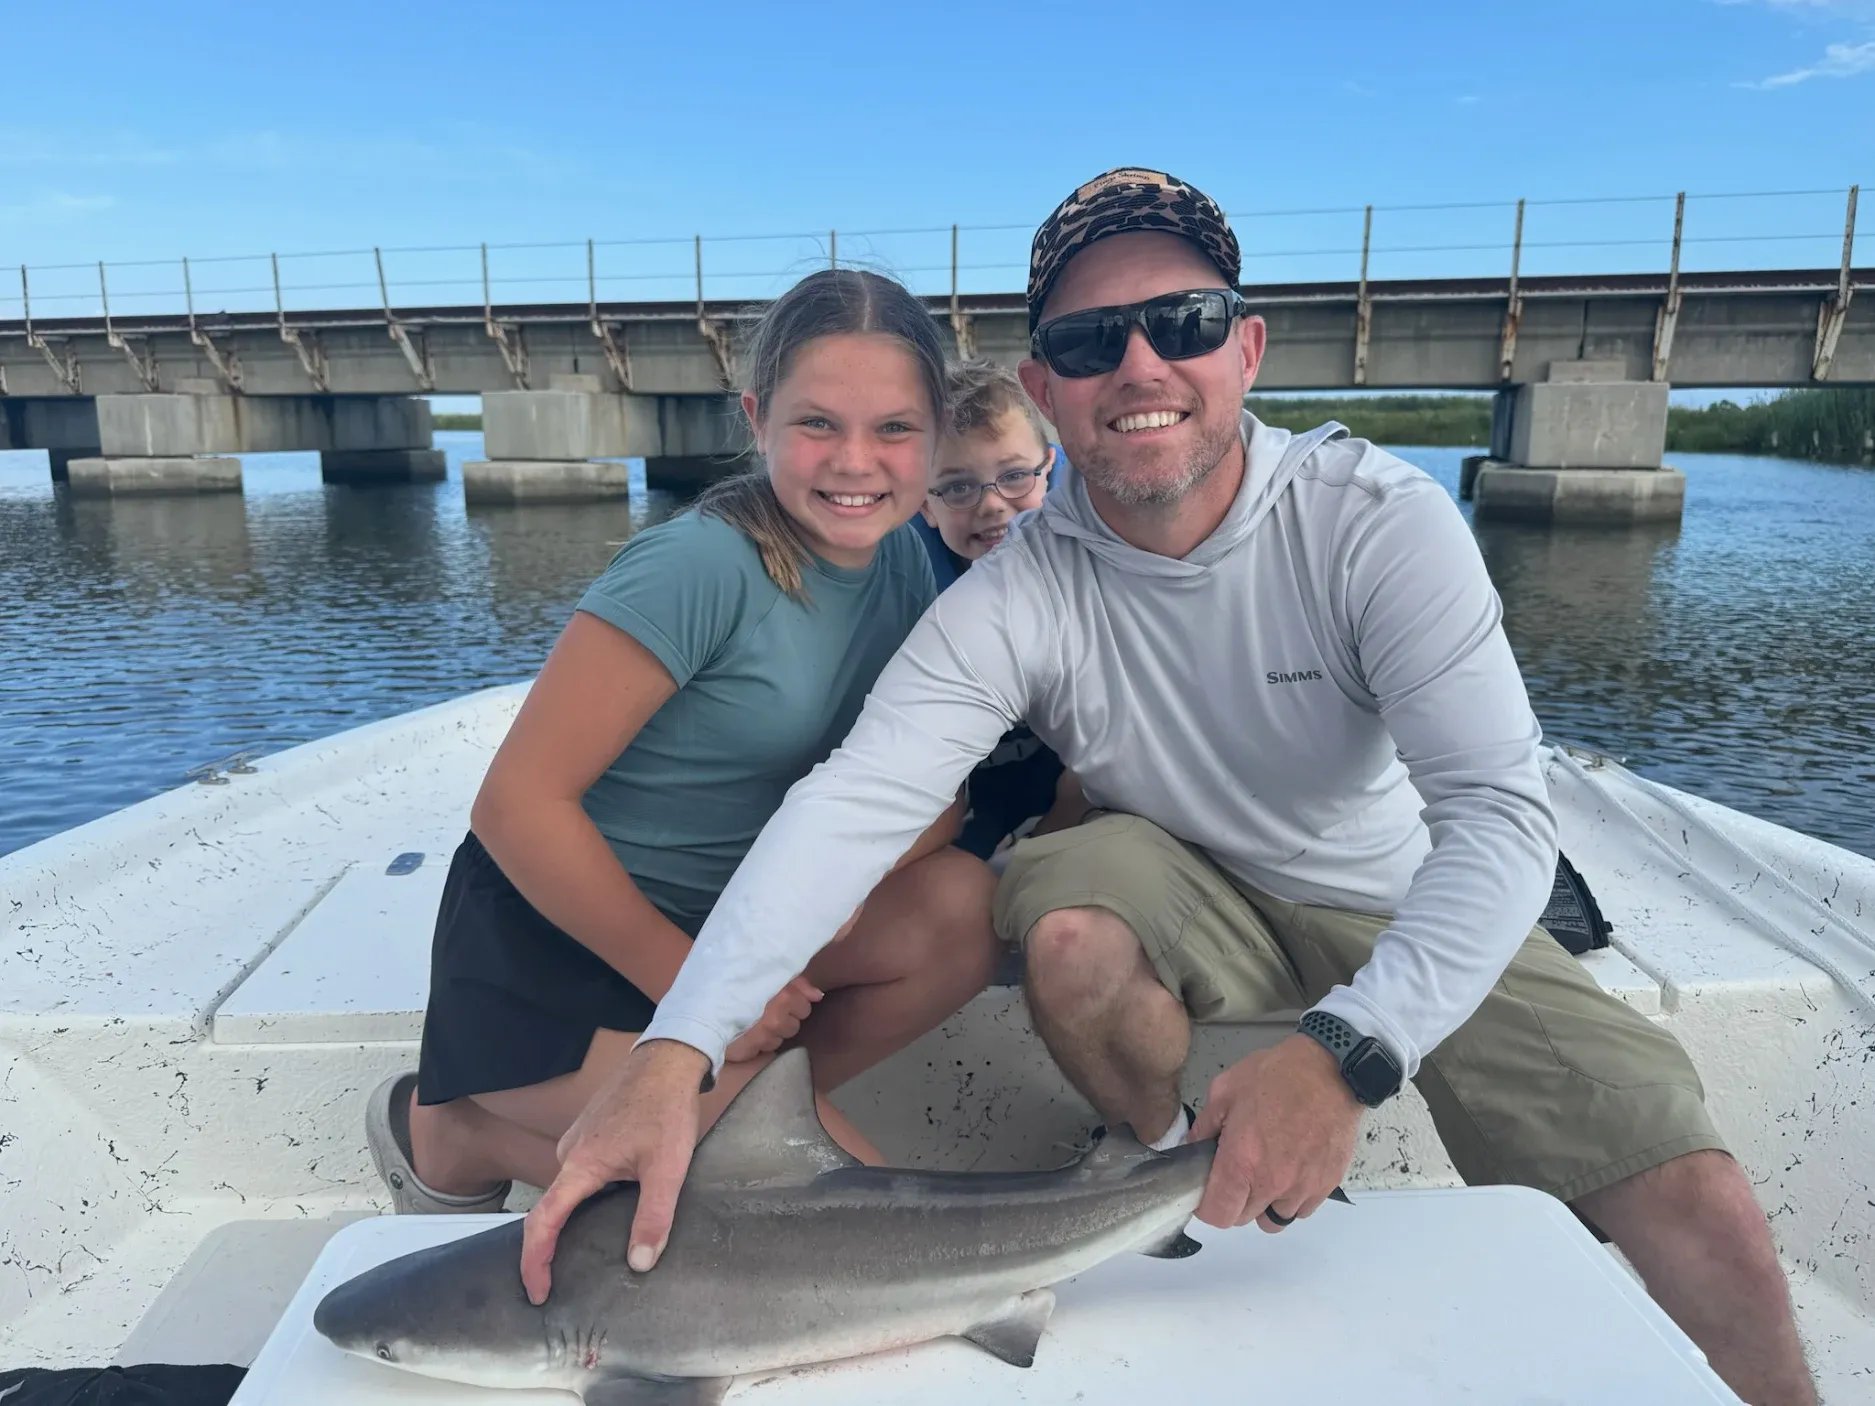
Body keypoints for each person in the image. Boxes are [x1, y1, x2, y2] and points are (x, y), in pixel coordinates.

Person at [521, 172, 1814, 1406]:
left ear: (1243, 351)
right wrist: (676, 1048)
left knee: (1696, 1191)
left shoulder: (1372, 522)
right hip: (1175, 878)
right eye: (1089, 342)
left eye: (1179, 323)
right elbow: (851, 804)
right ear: (1044, 388)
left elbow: (1496, 816)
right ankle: (1161, 1175)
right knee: (1068, 927)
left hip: (1389, 885)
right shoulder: (1020, 589)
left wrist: (1344, 1055)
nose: (1138, 365)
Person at [364, 267, 999, 1215]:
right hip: (563, 953)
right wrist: (695, 995)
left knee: (963, 907)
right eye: (816, 423)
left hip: (730, 922)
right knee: (834, 1213)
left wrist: (789, 941)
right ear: (757, 418)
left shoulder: (908, 560)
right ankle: (462, 1124)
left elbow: (927, 791)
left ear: (936, 433)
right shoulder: (698, 566)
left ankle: (738, 1108)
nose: (855, 462)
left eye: (894, 429)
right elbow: (514, 805)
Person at [914, 357, 1074, 862]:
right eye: (958, 487)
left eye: (1014, 476)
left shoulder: (1094, 571)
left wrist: (1052, 829)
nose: (991, 505)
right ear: (925, 506)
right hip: (970, 802)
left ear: (1048, 469)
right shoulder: (908, 592)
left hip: (1076, 796)